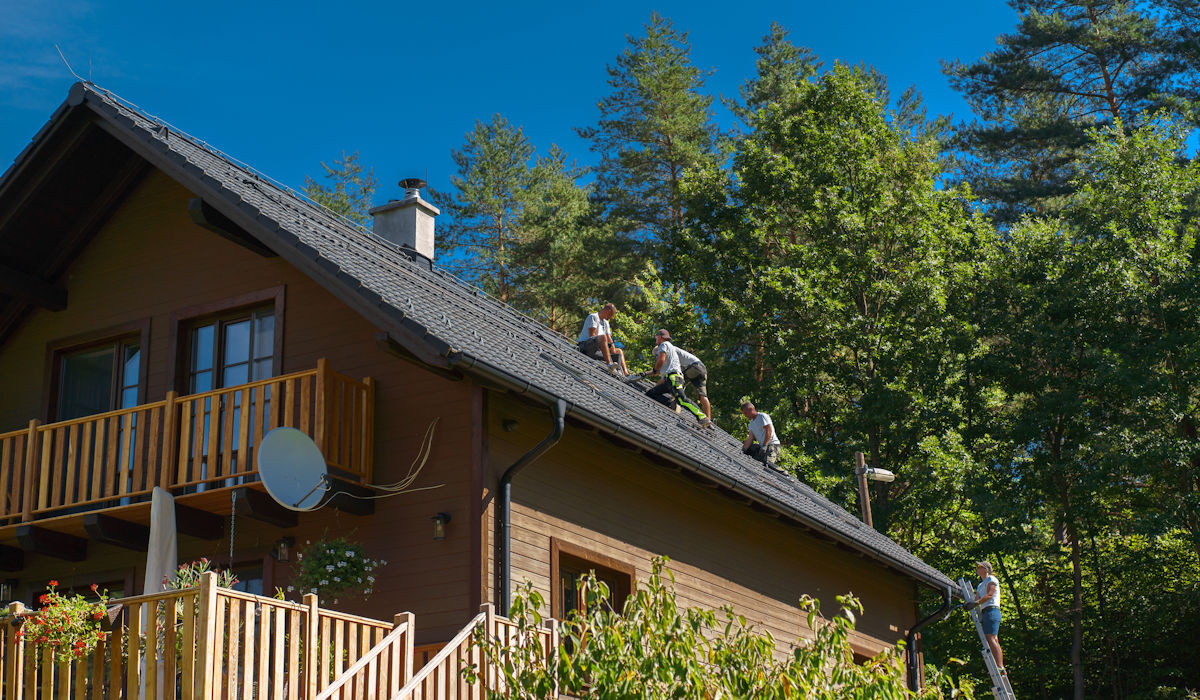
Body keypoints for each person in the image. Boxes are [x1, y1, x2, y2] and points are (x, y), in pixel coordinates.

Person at [645, 329, 710, 427]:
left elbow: (660, 362)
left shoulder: (664, 345)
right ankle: (670, 403)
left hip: (674, 378)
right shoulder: (670, 356)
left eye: (656, 355)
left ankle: (702, 417)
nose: (656, 357)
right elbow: (659, 371)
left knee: (682, 399)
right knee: (650, 393)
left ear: (661, 337)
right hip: (669, 380)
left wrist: (654, 369)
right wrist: (646, 374)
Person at [963, 560, 1004, 673]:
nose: (977, 568)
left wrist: (976, 604)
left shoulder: (991, 579)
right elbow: (976, 599)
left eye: (980, 566)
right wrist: (969, 605)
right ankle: (1000, 666)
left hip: (992, 610)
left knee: (991, 638)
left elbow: (990, 595)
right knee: (993, 639)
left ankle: (1000, 666)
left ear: (986, 569)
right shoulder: (980, 585)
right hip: (986, 612)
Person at [577, 303, 627, 376]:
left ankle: (625, 374)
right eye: (611, 315)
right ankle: (609, 364)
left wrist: (612, 349)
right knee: (603, 337)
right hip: (585, 347)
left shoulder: (606, 323)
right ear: (607, 311)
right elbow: (592, 336)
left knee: (619, 351)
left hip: (598, 349)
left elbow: (609, 338)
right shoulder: (593, 317)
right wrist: (605, 346)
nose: (611, 317)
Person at [673, 345, 711, 420]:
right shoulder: (688, 357)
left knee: (673, 378)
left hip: (694, 368)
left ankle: (674, 400)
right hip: (702, 370)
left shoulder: (670, 351)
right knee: (702, 395)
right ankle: (708, 419)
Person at [741, 402, 781, 466]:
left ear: (751, 409)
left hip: (773, 445)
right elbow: (750, 438)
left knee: (768, 464)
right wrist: (743, 450)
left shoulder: (762, 416)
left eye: (746, 413)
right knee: (750, 450)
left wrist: (765, 445)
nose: (745, 415)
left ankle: (784, 474)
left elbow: (769, 431)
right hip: (763, 446)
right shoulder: (751, 423)